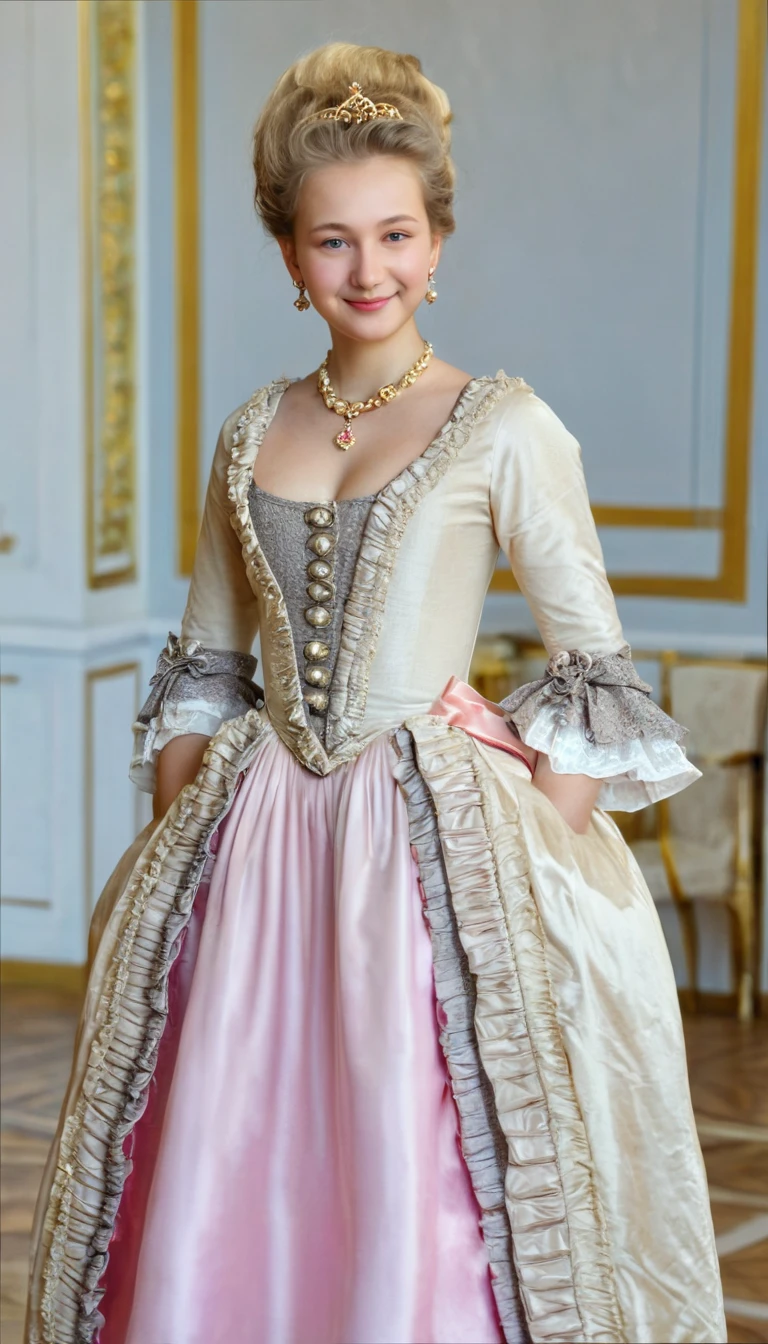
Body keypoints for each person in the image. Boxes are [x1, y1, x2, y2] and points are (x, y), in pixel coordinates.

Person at [25, 41, 726, 1344]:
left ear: (439, 237)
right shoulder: (251, 430)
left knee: (415, 1143)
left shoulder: (505, 424)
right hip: (256, 841)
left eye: (395, 235)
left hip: (424, 844)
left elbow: (591, 658)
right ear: (290, 258)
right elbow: (211, 660)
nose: (369, 272)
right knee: (240, 1139)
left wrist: (535, 800)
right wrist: (188, 847)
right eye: (332, 242)